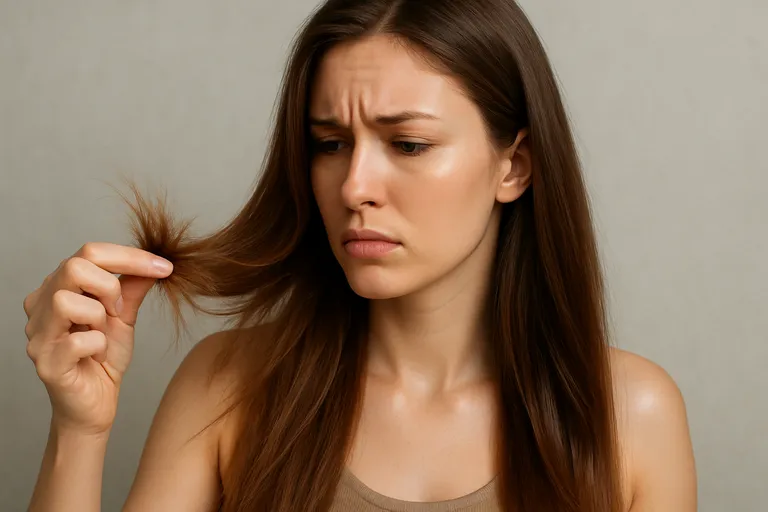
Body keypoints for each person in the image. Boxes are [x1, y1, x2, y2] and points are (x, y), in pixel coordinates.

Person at [22, 0, 697, 510]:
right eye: (330, 143)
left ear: (513, 166)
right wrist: (78, 429)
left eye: (407, 145)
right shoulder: (226, 387)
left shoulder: (630, 416)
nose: (354, 188)